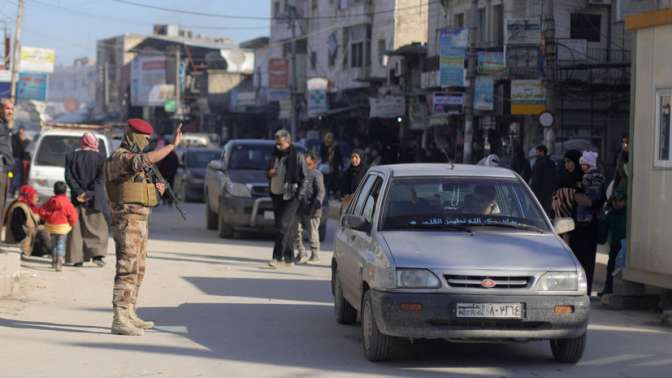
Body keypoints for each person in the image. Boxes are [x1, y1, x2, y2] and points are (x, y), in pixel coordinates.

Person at [106, 118, 182, 336]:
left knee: (138, 270)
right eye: (144, 138)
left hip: (139, 221)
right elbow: (144, 160)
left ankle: (130, 311)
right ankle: (119, 317)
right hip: (126, 220)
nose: (146, 143)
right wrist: (171, 146)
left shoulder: (134, 159)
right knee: (126, 268)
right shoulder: (120, 157)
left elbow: (146, 181)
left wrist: (158, 188)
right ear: (133, 136)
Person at [64, 133, 109, 267]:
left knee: (77, 229)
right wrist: (89, 193)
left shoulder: (71, 156)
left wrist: (79, 192)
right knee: (97, 228)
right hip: (95, 198)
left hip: (77, 198)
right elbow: (101, 179)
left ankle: (77, 258)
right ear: (95, 142)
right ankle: (97, 255)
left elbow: (68, 176)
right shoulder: (101, 158)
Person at [267, 129, 308, 269]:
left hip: (291, 196)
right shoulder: (274, 155)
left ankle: (277, 257)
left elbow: (304, 177)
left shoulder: (297, 156)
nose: (278, 146)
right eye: (277, 143)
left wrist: (298, 196)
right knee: (286, 227)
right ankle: (289, 258)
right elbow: (268, 171)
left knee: (281, 226)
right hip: (276, 194)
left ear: (288, 142)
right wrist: (269, 173)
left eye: (280, 143)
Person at [569, 151, 606, 296]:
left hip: (586, 223)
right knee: (588, 259)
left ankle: (584, 290)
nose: (582, 166)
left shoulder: (588, 179)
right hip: (590, 223)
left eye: (584, 164)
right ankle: (587, 289)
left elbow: (590, 200)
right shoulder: (598, 178)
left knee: (585, 259)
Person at [39, 182, 78, 272]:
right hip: (63, 227)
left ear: (54, 191)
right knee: (61, 244)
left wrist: (47, 217)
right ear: (65, 191)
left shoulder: (51, 201)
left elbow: (42, 211)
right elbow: (73, 215)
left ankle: (54, 261)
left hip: (52, 226)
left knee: (54, 244)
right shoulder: (67, 202)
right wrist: (72, 223)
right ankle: (59, 263)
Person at [295, 151, 325, 265]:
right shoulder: (300, 172)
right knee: (296, 230)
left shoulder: (316, 173)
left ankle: (315, 254)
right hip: (299, 207)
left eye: (306, 158)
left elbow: (320, 191)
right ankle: (301, 251)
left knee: (313, 232)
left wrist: (317, 202)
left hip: (312, 208)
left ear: (313, 161)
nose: (304, 160)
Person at [3, 185, 50, 257]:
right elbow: (16, 227)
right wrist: (23, 240)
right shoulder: (19, 208)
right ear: (29, 196)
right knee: (42, 230)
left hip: (26, 243)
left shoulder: (27, 206)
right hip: (18, 244)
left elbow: (34, 221)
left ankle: (44, 250)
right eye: (35, 196)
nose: (37, 199)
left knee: (43, 228)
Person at [600, 187, 627, 296]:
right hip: (614, 244)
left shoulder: (627, 214)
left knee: (620, 267)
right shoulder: (611, 214)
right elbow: (604, 229)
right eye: (615, 200)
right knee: (611, 266)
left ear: (624, 202)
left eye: (619, 201)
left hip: (624, 245)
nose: (617, 203)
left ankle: (618, 289)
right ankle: (608, 287)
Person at [530, 145, 557, 217]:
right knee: (546, 212)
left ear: (542, 152)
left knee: (537, 212)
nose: (536, 154)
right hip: (548, 193)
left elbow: (535, 179)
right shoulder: (551, 163)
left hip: (538, 193)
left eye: (537, 152)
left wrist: (531, 191)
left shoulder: (539, 163)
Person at [0, 99, 15, 226]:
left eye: (11, 109)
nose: (10, 111)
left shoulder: (5, 125)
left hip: (5, 170)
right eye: (7, 108)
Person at [10, 126, 29, 196]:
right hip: (16, 159)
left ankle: (13, 189)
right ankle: (14, 189)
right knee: (16, 175)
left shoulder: (14, 137)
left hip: (14, 159)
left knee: (12, 174)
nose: (23, 132)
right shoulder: (17, 138)